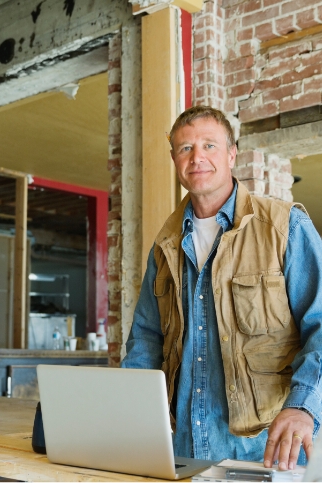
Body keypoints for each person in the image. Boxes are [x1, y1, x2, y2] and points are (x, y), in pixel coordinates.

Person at [121, 105, 322, 470]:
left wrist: (302, 405)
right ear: (174, 159)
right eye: (185, 149)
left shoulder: (284, 227)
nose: (197, 157)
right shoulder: (165, 245)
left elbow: (321, 325)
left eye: (209, 146)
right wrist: (129, 419)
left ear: (232, 153)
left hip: (266, 451)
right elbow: (145, 341)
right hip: (181, 450)